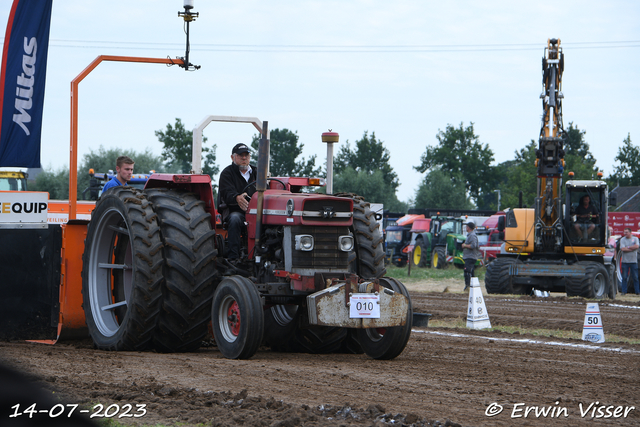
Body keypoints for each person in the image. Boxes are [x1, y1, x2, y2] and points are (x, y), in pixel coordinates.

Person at [218, 143, 258, 262]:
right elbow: (227, 193)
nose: (244, 158)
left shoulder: (258, 173)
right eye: (241, 155)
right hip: (236, 211)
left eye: (246, 155)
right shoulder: (227, 173)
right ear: (233, 157)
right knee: (235, 219)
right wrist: (237, 197)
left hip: (257, 212)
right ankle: (233, 258)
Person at [619, 227, 640, 295]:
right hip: (625, 261)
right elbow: (622, 249)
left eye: (626, 232)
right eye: (624, 232)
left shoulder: (635, 239)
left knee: (636, 277)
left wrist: (627, 247)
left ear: (630, 233)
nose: (625, 233)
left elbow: (637, 246)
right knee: (624, 277)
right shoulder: (622, 239)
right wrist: (631, 248)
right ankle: (624, 291)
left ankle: (637, 292)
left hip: (634, 261)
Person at [461, 220, 481, 291]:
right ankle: (473, 288)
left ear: (468, 227)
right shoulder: (470, 235)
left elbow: (473, 245)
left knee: (467, 272)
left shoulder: (472, 235)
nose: (466, 228)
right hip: (469, 256)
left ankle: (468, 287)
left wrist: (465, 245)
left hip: (470, 256)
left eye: (466, 226)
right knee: (471, 273)